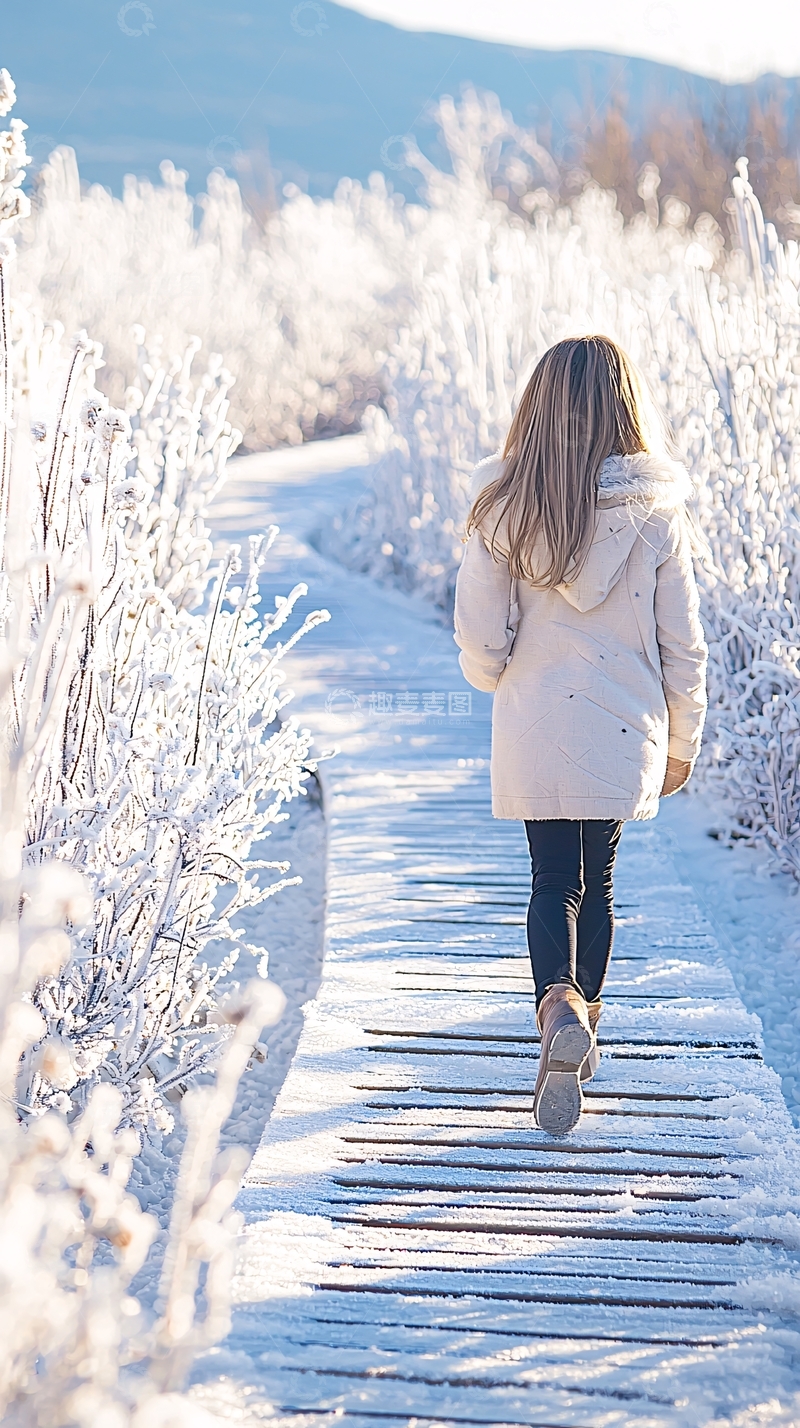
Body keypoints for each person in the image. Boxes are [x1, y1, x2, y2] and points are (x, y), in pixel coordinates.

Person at [454, 336, 707, 1136]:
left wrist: (499, 674)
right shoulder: (656, 518)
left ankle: (555, 1007)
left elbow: (479, 634)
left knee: (549, 876)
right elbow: (684, 645)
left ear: (538, 407)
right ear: (625, 407)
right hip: (624, 721)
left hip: (534, 717)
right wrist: (682, 743)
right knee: (596, 879)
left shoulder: (501, 508)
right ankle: (581, 1019)